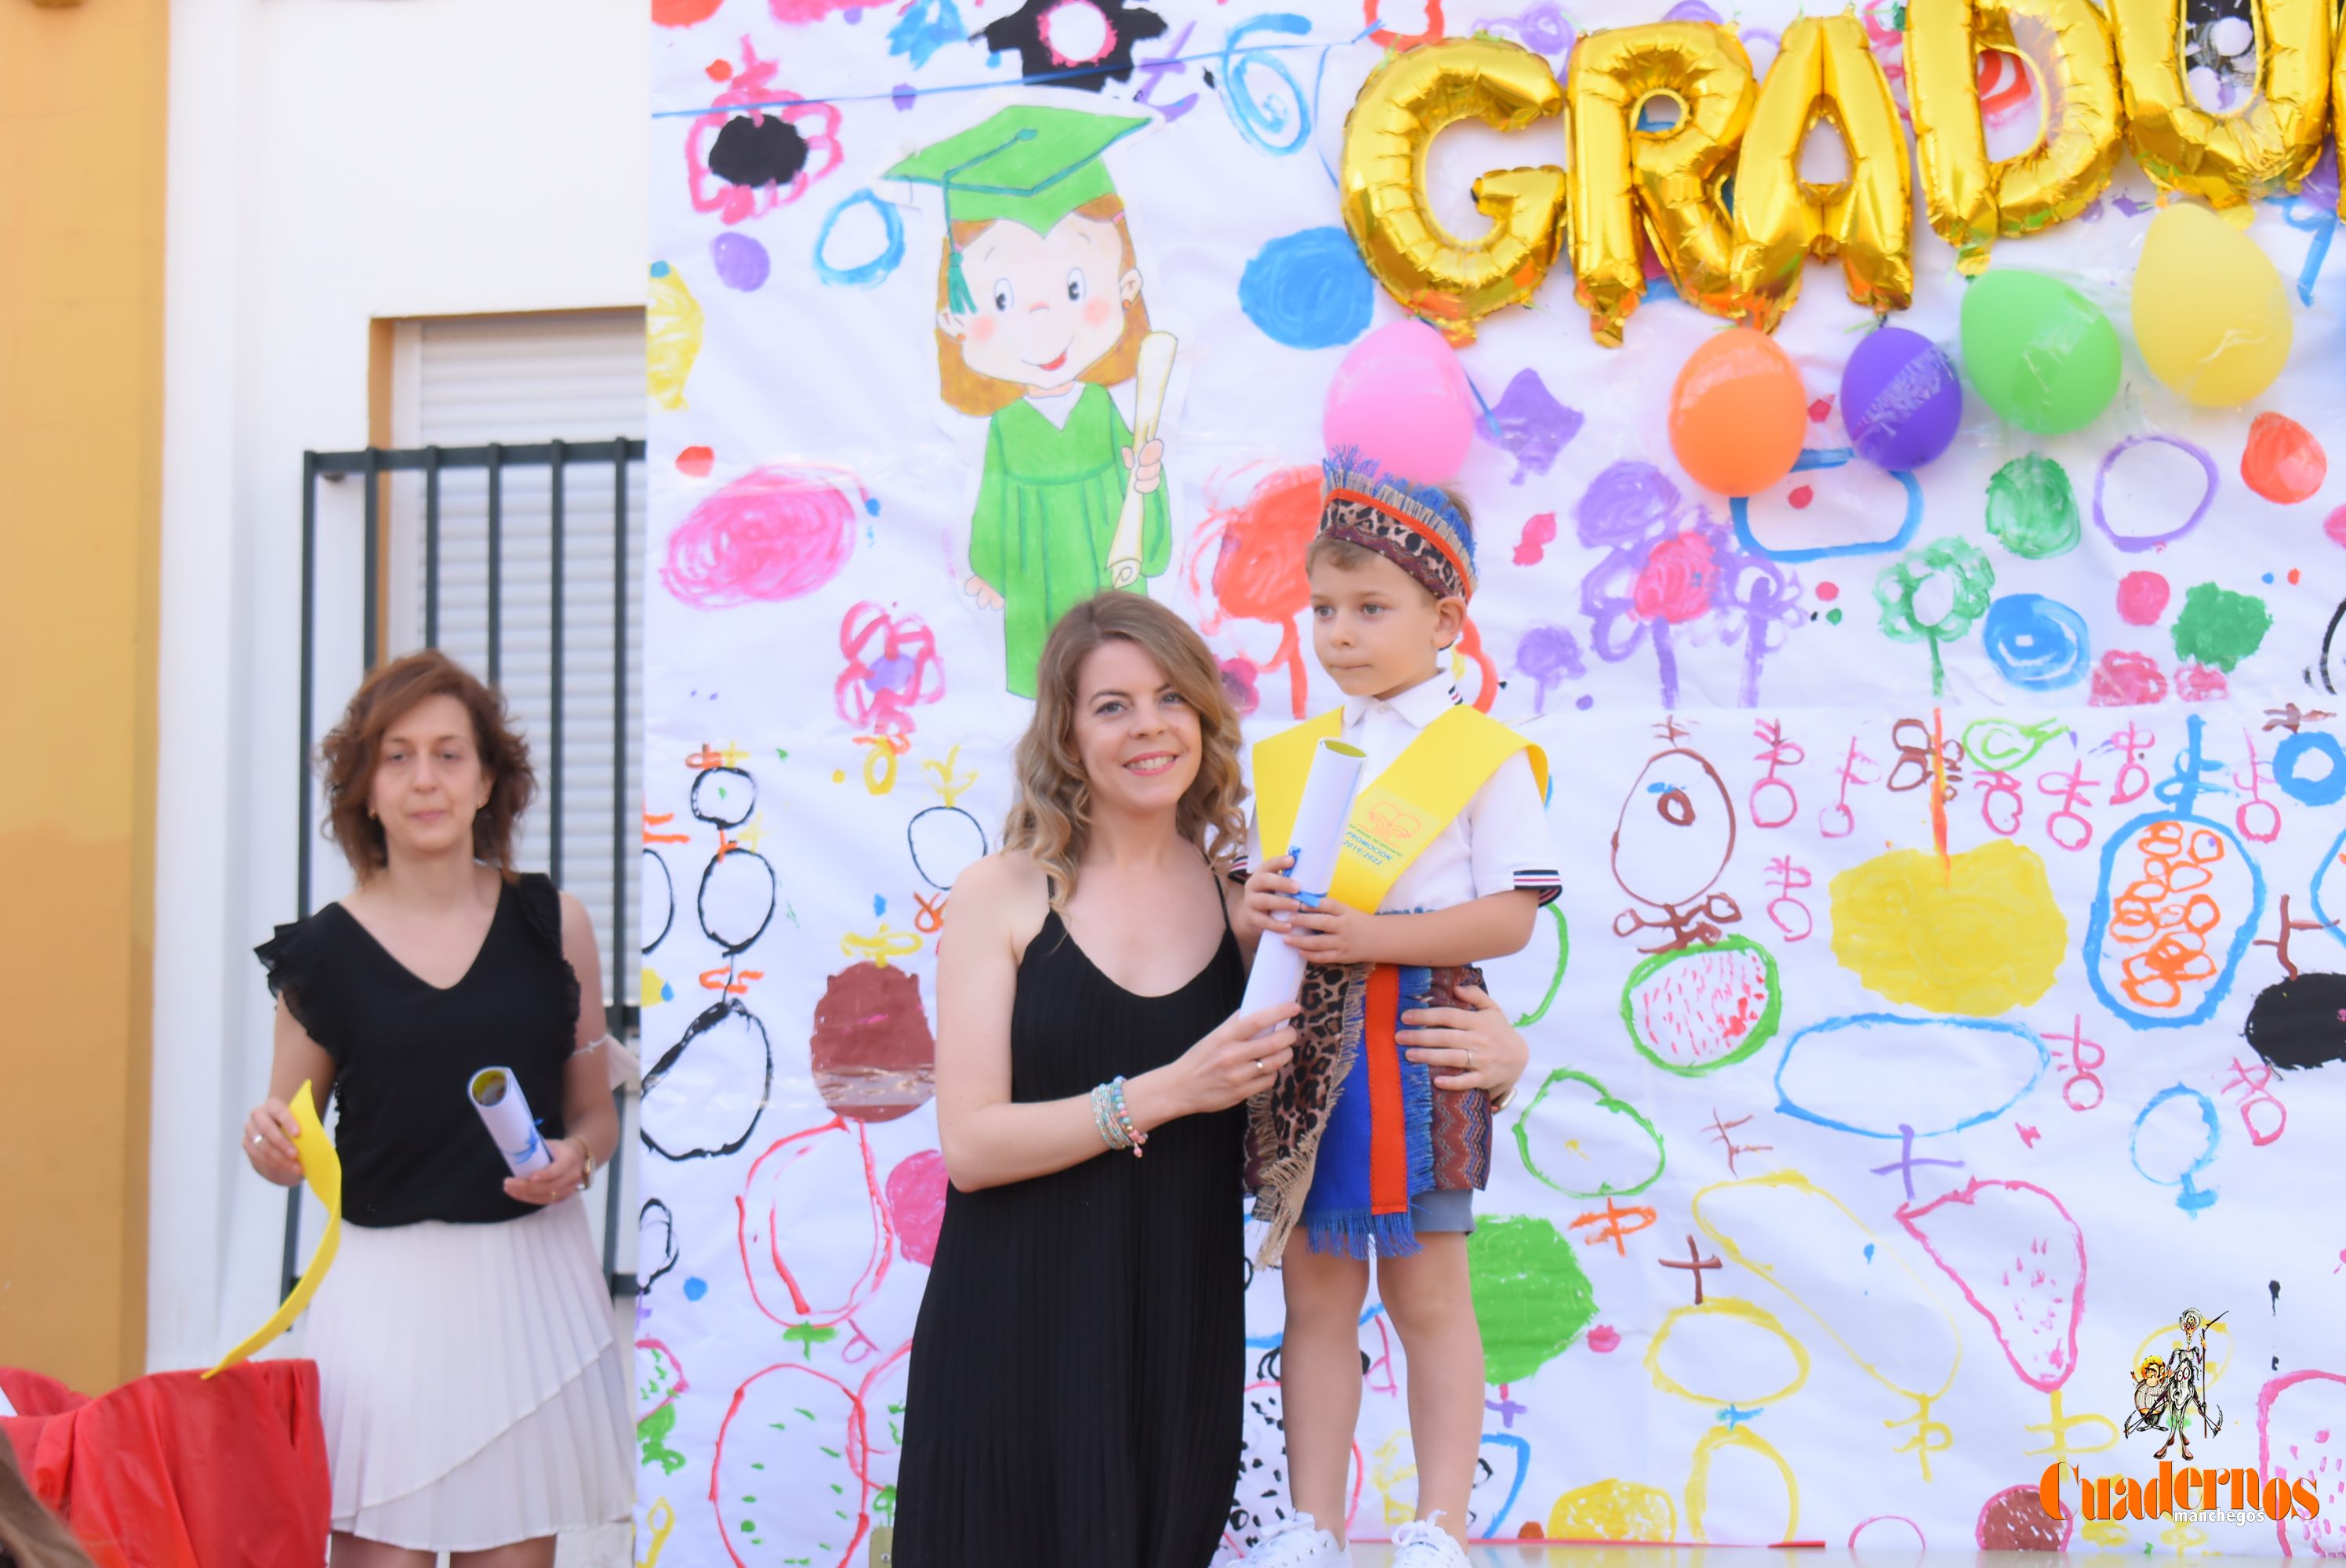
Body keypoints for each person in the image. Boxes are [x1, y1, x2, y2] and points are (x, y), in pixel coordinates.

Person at [239, 651, 633, 1567]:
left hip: (529, 1285)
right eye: (398, 756)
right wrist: (269, 1141)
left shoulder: (554, 923)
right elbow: (284, 1131)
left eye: (450, 754)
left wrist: (577, 1155)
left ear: (488, 779)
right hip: (382, 1302)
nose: (426, 779)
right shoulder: (321, 954)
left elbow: (594, 1114)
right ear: (365, 789)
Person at [1239, 455, 1558, 1566]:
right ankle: (1313, 1527)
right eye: (1324, 609)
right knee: (1316, 1299)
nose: (1340, 633)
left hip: (1427, 1041)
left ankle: (1439, 1526)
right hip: (1311, 1047)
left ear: (1446, 617)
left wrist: (1376, 940)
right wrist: (1256, 905)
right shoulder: (1287, 759)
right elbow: (1257, 922)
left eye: (1372, 608)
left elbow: (1513, 917)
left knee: (1430, 1294)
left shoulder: (1483, 755)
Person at [887, 104, 1174, 700]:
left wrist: (1146, 484)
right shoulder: (1007, 429)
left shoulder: (1104, 410)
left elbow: (1143, 512)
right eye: (1002, 297)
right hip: (1035, 595)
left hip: (1111, 584)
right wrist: (991, 574)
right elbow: (994, 507)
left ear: (1126, 288)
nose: (1042, 322)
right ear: (956, 319)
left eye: (1075, 288)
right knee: (1052, 706)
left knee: (1127, 685)